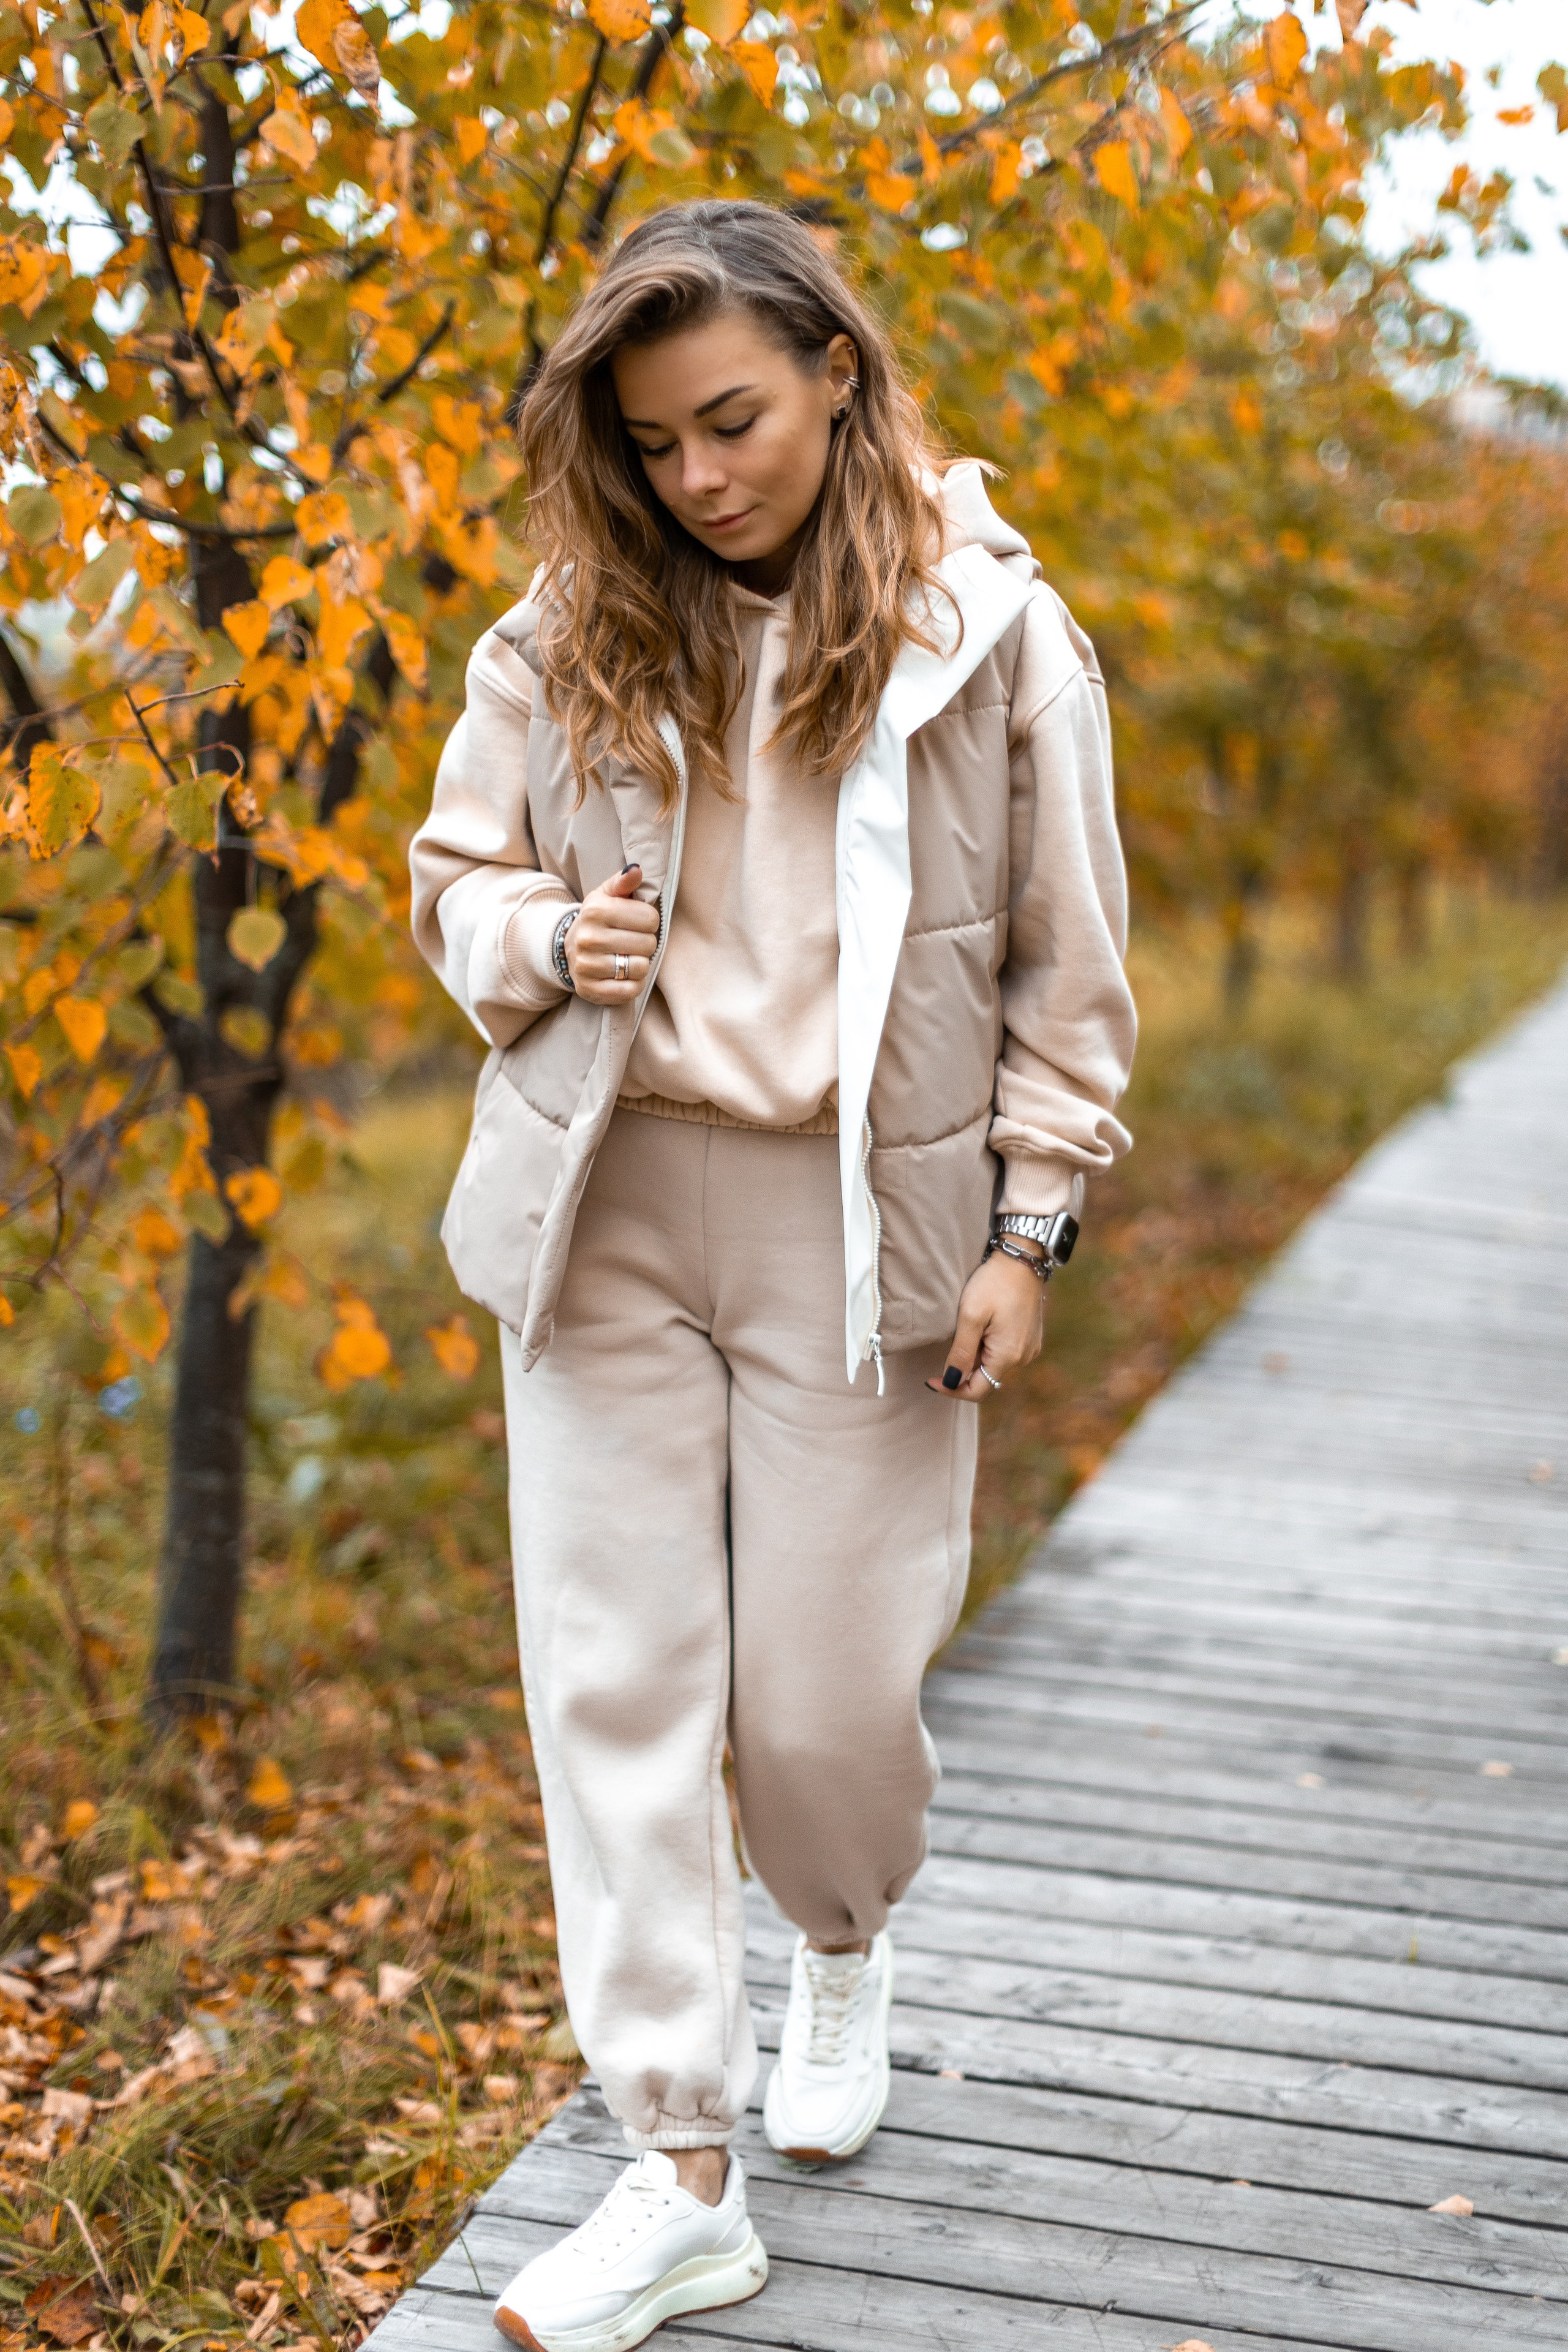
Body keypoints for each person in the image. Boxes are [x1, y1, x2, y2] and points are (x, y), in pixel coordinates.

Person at [410, 198, 1135, 2352]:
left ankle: (838, 1935)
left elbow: (1068, 975)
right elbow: (452, 877)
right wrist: (539, 936)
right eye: (652, 444)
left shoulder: (996, 638)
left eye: (731, 420)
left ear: (837, 367)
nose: (698, 476)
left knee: (820, 1710)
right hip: (609, 1208)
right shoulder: (566, 629)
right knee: (616, 1689)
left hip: (863, 1235)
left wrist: (1030, 1224)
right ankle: (676, 2167)